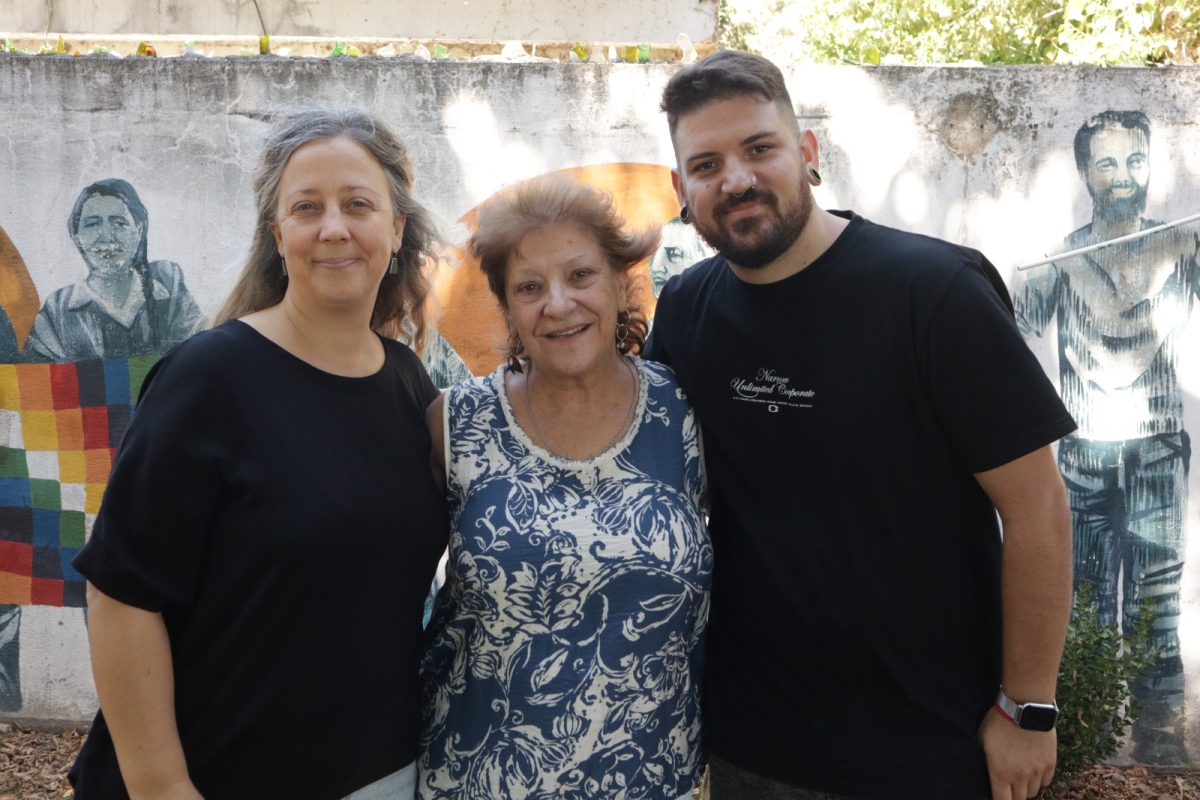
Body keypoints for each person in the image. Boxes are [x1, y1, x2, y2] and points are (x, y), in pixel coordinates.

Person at [644, 51, 1076, 800]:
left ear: (808, 153)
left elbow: (1038, 509)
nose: (737, 180)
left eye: (760, 148)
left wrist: (1028, 709)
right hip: (753, 746)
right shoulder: (684, 310)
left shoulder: (934, 292)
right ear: (682, 191)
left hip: (927, 749)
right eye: (706, 165)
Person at [67, 108, 449, 799]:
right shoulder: (207, 379)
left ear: (396, 228)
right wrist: (162, 786)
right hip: (216, 778)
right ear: (278, 234)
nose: (333, 227)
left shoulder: (409, 384)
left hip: (382, 776)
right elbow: (120, 595)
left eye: (357, 204)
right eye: (306, 208)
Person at [418, 174, 710, 800]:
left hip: (653, 781)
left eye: (581, 275)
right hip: (479, 781)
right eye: (529, 287)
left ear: (620, 283)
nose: (558, 303)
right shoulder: (455, 422)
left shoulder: (684, 409)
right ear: (506, 308)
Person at [1013, 110, 1200, 764]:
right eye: (1108, 162)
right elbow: (1006, 335)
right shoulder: (1059, 262)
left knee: (1155, 604)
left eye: (1135, 160)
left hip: (1157, 450)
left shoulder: (1185, 245)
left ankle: (1160, 747)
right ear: (1085, 171)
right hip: (1083, 453)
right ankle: (1084, 745)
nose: (1123, 176)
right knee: (1083, 606)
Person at [24, 178, 205, 362]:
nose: (106, 237)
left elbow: (201, 355)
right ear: (77, 236)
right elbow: (38, 374)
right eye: (92, 224)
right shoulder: (58, 310)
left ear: (139, 231)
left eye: (119, 223)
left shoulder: (167, 283)